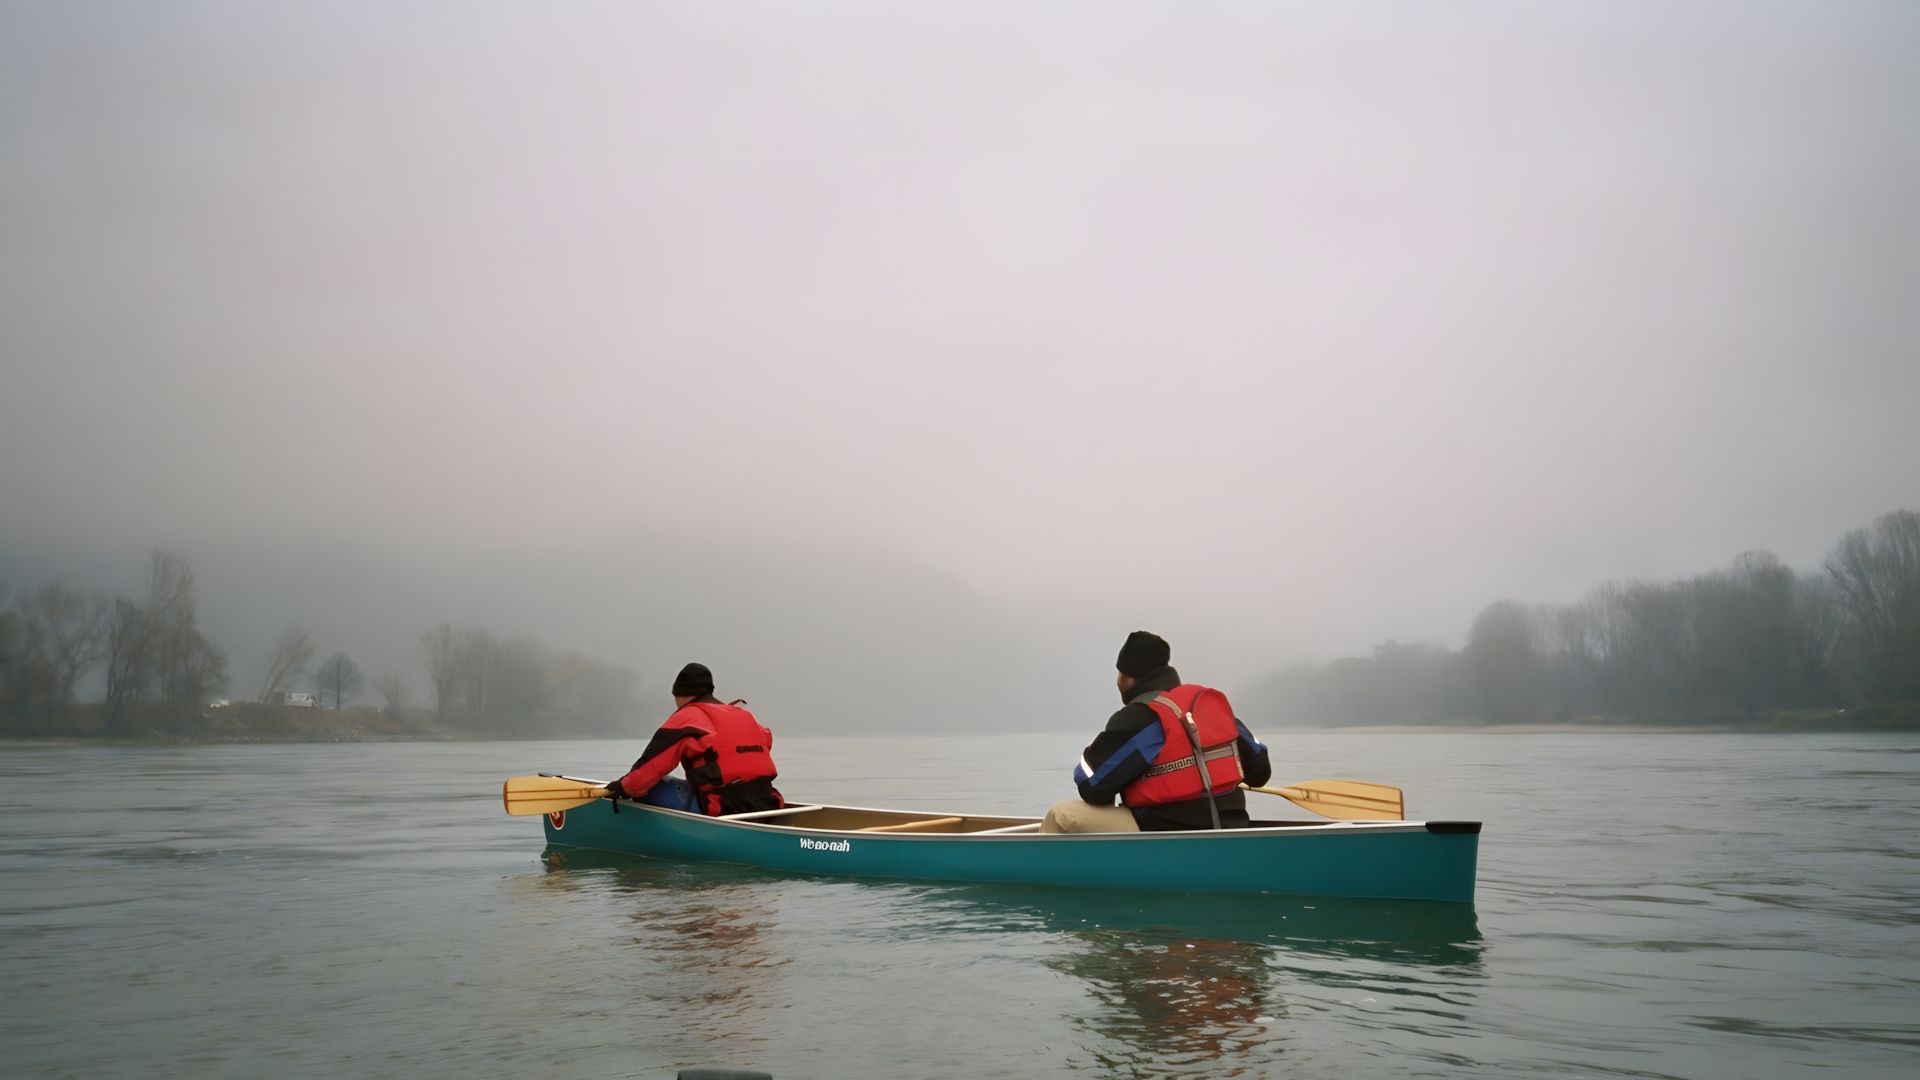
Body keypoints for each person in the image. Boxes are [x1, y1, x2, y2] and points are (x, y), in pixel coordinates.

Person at [1043, 631, 1272, 833]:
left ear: (1127, 676)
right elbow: (1260, 772)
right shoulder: (1211, 708)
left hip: (1164, 833)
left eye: (1119, 674)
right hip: (1233, 827)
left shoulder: (1138, 717)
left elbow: (1092, 788)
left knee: (1062, 814)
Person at [604, 662, 784, 816]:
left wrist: (622, 788)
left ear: (679, 694)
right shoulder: (745, 716)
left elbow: (648, 770)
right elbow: (762, 746)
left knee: (650, 786)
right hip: (768, 803)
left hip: (720, 807)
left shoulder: (686, 719)